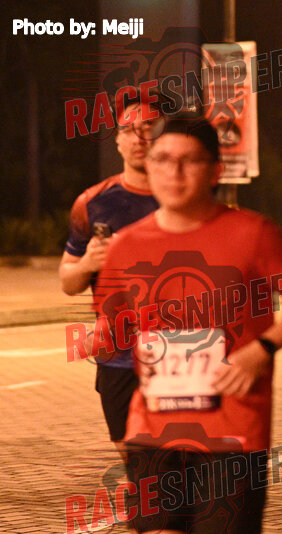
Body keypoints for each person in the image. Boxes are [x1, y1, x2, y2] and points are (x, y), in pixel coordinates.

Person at [94, 113, 282, 533]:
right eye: (163, 158)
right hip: (153, 427)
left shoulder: (253, 233)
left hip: (232, 429)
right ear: (149, 164)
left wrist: (261, 350)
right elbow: (113, 331)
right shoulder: (125, 246)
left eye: (190, 160)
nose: (174, 171)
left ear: (215, 170)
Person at [59, 92, 162, 457]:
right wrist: (88, 263)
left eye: (149, 127)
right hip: (117, 355)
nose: (139, 137)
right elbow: (68, 281)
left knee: (177, 453)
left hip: (180, 351)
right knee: (130, 451)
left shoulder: (186, 198)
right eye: (129, 129)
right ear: (117, 140)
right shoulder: (93, 202)